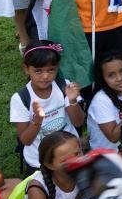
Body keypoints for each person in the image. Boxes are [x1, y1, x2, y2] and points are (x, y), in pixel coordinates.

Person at [9, 40, 83, 173]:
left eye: (51, 70)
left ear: (57, 67)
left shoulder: (63, 86)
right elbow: (26, 140)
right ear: (26, 69)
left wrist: (72, 101)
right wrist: (37, 121)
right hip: (39, 160)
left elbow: (78, 122)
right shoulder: (20, 99)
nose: (45, 76)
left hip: (70, 153)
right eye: (38, 71)